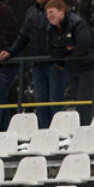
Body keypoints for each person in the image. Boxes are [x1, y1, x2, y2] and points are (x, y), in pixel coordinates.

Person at [0, 0, 59, 129]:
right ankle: (44, 135)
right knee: (40, 104)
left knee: (55, 102)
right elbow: (23, 37)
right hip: (37, 64)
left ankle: (57, 136)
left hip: (55, 63)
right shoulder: (32, 12)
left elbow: (66, 32)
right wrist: (10, 52)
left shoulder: (58, 10)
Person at [44, 0, 94, 126]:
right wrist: (66, 50)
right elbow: (52, 51)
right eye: (47, 13)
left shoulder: (77, 23)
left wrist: (65, 54)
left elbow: (83, 46)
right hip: (72, 68)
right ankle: (83, 129)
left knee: (85, 100)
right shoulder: (50, 29)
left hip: (89, 66)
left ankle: (88, 131)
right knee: (77, 101)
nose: (49, 16)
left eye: (52, 12)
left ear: (62, 11)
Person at [0, 1, 19, 131]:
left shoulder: (4, 11)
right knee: (3, 101)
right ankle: (5, 135)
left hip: (4, 64)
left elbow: (7, 36)